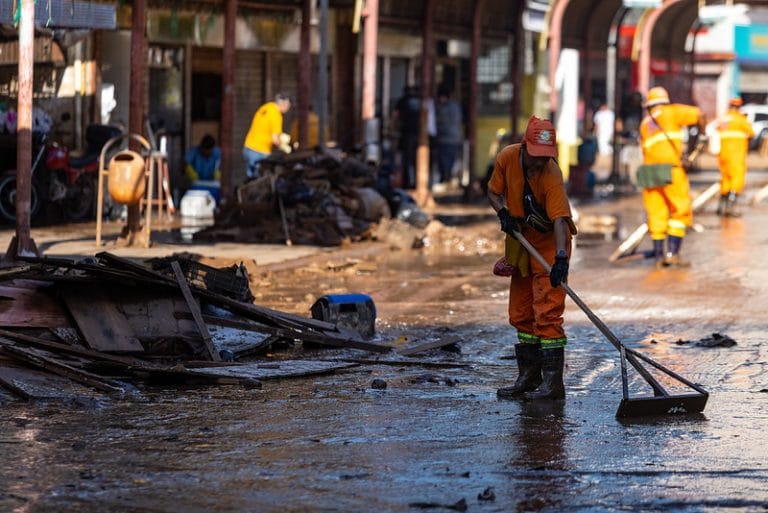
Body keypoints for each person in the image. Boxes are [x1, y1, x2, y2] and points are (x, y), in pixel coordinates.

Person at [487, 115, 577, 401]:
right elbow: (493, 191)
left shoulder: (551, 173)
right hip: (521, 240)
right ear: (524, 146)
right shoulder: (507, 158)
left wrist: (561, 258)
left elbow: (561, 220)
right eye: (536, 156)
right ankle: (528, 378)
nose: (539, 162)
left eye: (545, 157)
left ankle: (553, 385)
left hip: (550, 245)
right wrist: (503, 214)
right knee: (521, 313)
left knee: (547, 313)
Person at [638, 86, 705, 268]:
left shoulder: (645, 124)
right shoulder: (672, 112)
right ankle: (672, 254)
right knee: (680, 210)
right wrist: (700, 137)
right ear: (664, 101)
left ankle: (659, 256)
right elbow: (699, 114)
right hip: (671, 170)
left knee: (656, 213)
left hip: (649, 173)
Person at [716, 97, 754, 217]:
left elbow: (717, 130)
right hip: (736, 155)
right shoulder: (740, 119)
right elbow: (752, 133)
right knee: (737, 179)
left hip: (723, 155)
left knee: (725, 179)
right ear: (739, 107)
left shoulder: (723, 119)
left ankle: (721, 206)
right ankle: (730, 208)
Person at [242, 93, 292, 179]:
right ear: (284, 104)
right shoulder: (276, 115)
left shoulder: (266, 107)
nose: (288, 109)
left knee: (250, 179)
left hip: (248, 147)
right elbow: (275, 139)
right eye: (288, 106)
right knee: (258, 181)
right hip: (260, 151)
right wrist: (286, 148)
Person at [434, 85, 463, 184]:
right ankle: (446, 179)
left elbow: (445, 123)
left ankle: (446, 180)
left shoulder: (447, 108)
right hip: (452, 138)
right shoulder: (455, 107)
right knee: (447, 161)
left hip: (447, 138)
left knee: (446, 162)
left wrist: (437, 130)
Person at [394, 85, 421, 189]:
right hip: (418, 135)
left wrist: (395, 130)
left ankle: (407, 182)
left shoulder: (402, 101)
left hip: (406, 134)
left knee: (406, 160)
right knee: (415, 160)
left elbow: (396, 116)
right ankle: (414, 182)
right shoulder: (420, 101)